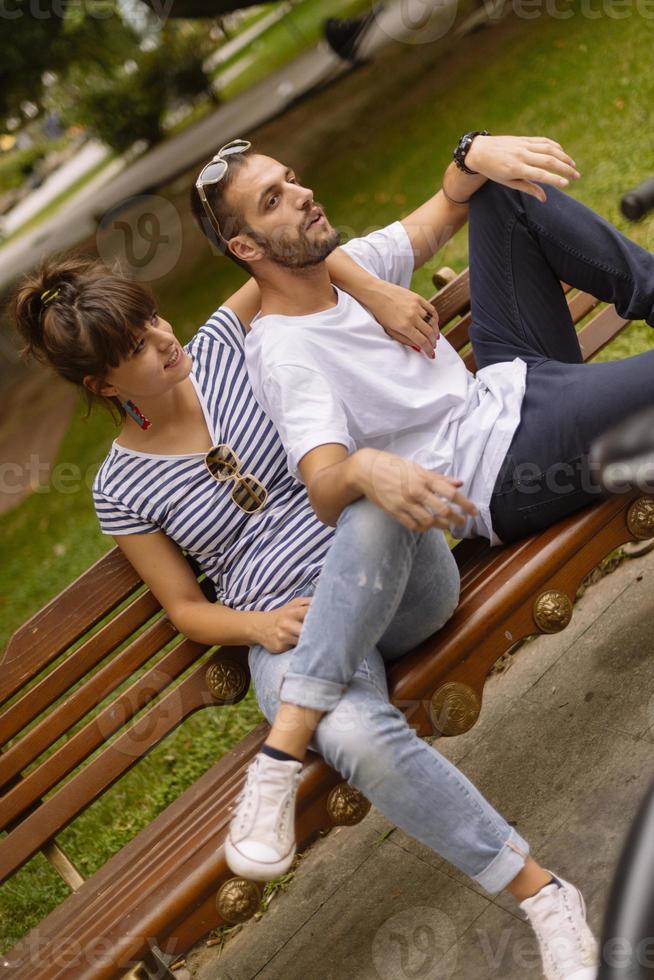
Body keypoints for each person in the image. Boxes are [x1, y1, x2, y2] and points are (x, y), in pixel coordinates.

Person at [186, 136, 614, 979]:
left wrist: (371, 273)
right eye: (132, 346)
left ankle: (281, 752)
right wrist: (259, 620)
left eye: (155, 328)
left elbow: (397, 222)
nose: (162, 347)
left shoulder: (233, 336)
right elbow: (309, 477)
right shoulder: (225, 357)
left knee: (373, 491)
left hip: (401, 564)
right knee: (361, 733)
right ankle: (544, 894)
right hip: (303, 624)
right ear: (100, 379)